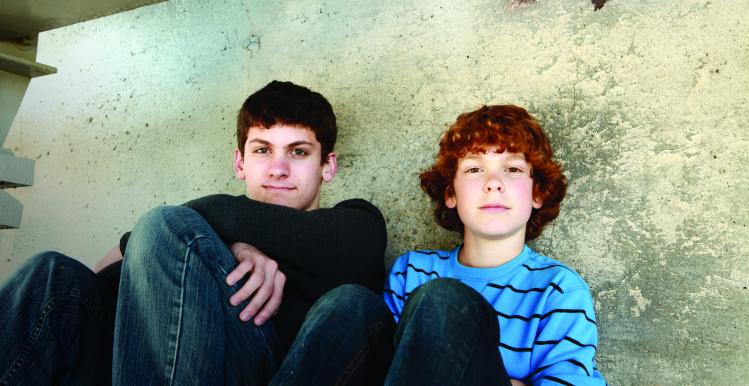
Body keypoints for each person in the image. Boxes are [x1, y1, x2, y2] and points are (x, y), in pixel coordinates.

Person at [0, 81, 387, 385]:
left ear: (328, 166)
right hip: (155, 364)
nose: (278, 169)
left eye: (299, 152)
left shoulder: (357, 224)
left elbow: (207, 218)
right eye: (262, 150)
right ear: (240, 162)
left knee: (164, 225)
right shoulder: (189, 249)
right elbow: (106, 282)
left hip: (262, 370)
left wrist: (190, 236)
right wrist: (227, 246)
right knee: (53, 275)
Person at [273, 104, 606, 385]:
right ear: (451, 193)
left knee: (444, 301)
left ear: (537, 193)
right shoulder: (413, 270)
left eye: (513, 169)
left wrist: (471, 366)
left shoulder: (557, 290)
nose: (493, 184)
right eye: (475, 169)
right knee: (350, 302)